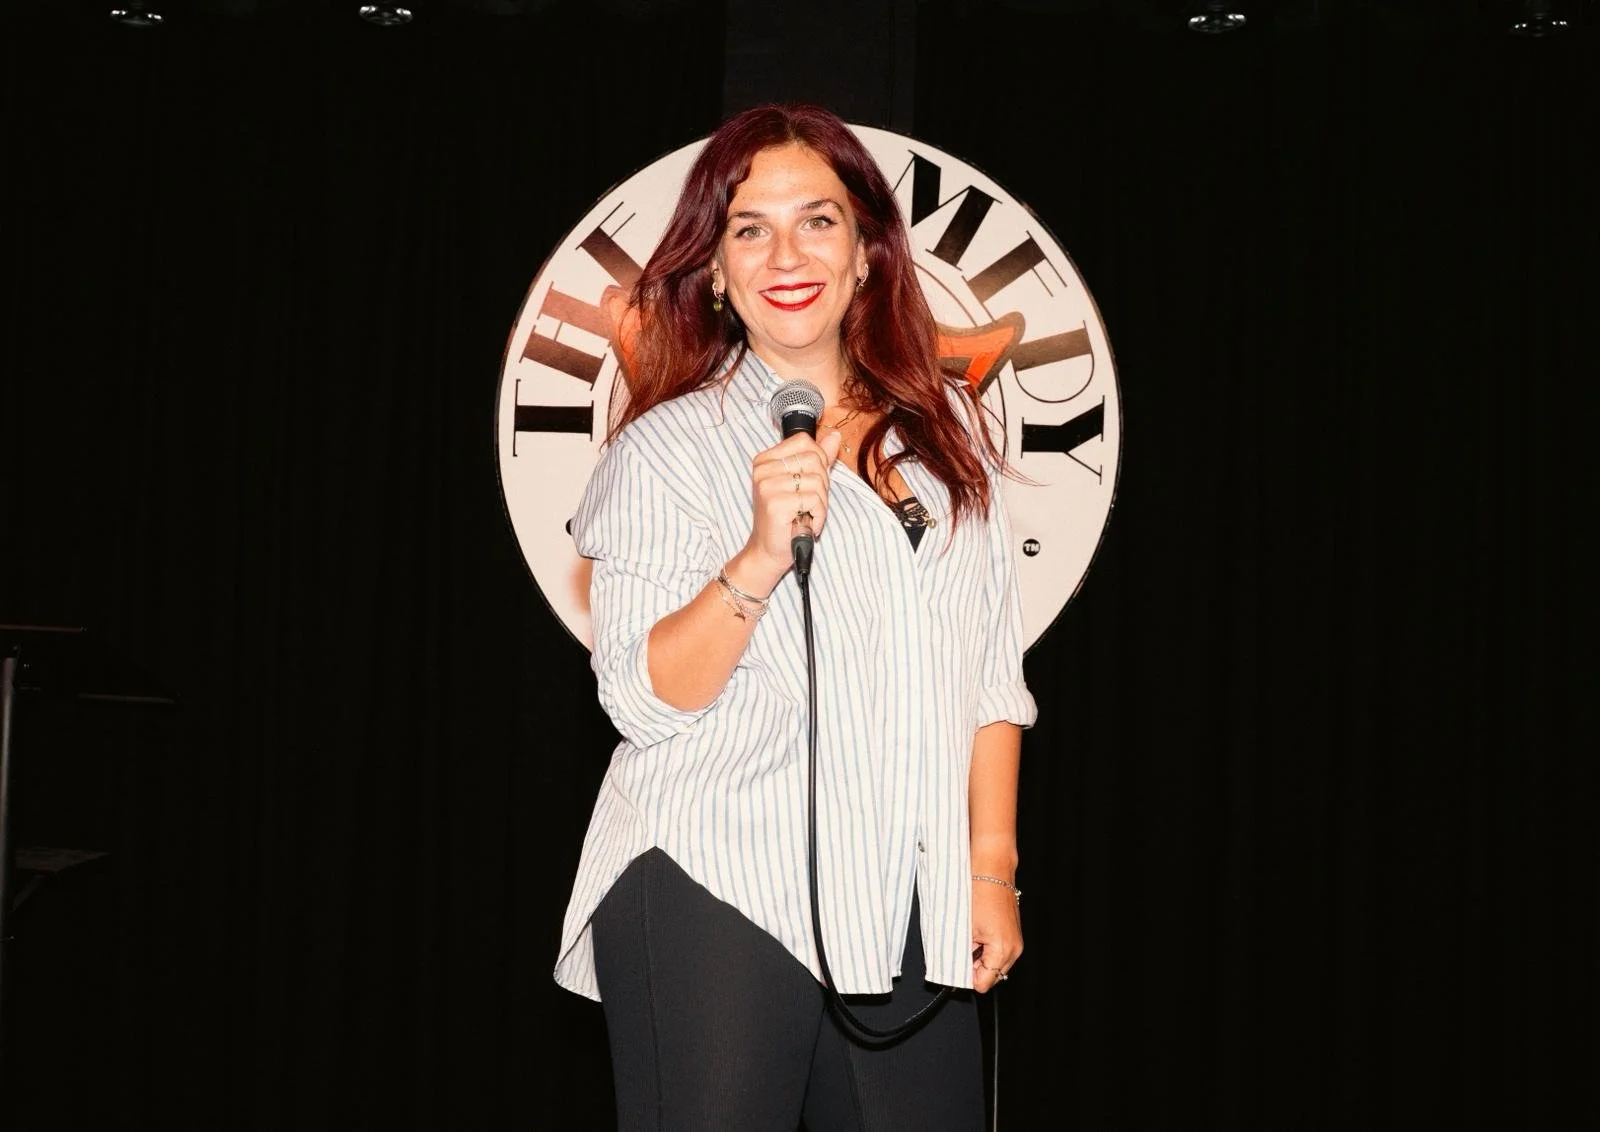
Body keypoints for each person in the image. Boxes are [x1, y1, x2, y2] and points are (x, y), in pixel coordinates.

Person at [552, 102, 1038, 1131]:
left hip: (907, 895)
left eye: (817, 220)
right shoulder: (665, 451)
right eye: (749, 228)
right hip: (713, 873)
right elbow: (642, 695)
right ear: (716, 274)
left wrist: (990, 869)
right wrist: (761, 555)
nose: (787, 252)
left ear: (867, 254)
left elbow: (989, 678)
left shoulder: (947, 446)